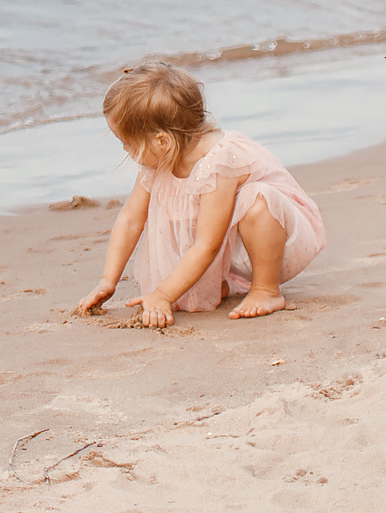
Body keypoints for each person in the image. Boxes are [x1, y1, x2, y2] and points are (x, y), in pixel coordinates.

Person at [72, 64, 326, 326]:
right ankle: (223, 283)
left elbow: (207, 245)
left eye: (126, 142)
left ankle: (266, 290)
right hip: (237, 250)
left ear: (162, 141)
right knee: (178, 212)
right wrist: (108, 280)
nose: (125, 150)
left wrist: (163, 295)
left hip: (282, 241)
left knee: (255, 198)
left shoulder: (220, 161)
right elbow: (130, 220)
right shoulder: (157, 162)